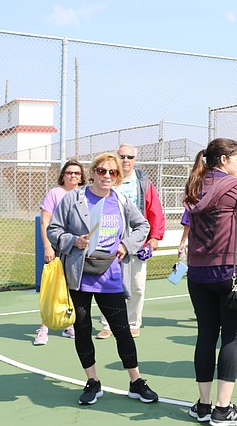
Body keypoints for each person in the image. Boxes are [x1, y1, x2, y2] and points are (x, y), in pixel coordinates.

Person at [47, 152, 158, 406]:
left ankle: (136, 381)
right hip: (79, 276)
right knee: (83, 330)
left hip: (110, 276)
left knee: (122, 331)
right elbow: (53, 230)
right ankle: (93, 381)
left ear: (118, 176)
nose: (107, 176)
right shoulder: (74, 199)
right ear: (93, 172)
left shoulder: (120, 200)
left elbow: (143, 226)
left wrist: (126, 245)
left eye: (113, 172)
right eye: (102, 171)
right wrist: (73, 241)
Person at [180, 138, 237, 426]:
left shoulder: (195, 185)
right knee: (232, 338)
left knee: (206, 335)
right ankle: (223, 409)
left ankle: (203, 404)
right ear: (224, 160)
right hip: (230, 272)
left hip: (197, 273)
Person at [97, 144, 165, 340]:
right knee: (107, 284)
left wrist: (154, 238)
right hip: (110, 243)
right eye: (122, 156)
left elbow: (155, 211)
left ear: (135, 159)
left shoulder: (143, 183)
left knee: (136, 285)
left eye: (129, 157)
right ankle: (107, 324)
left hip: (137, 243)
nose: (125, 160)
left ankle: (133, 323)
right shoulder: (108, 181)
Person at [34, 159, 85, 345]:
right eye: (69, 172)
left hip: (76, 249)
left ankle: (68, 324)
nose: (73, 175)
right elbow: (44, 222)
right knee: (52, 287)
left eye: (77, 173)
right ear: (63, 175)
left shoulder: (84, 194)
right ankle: (44, 327)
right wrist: (48, 246)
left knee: (71, 287)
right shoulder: (55, 193)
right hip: (57, 246)